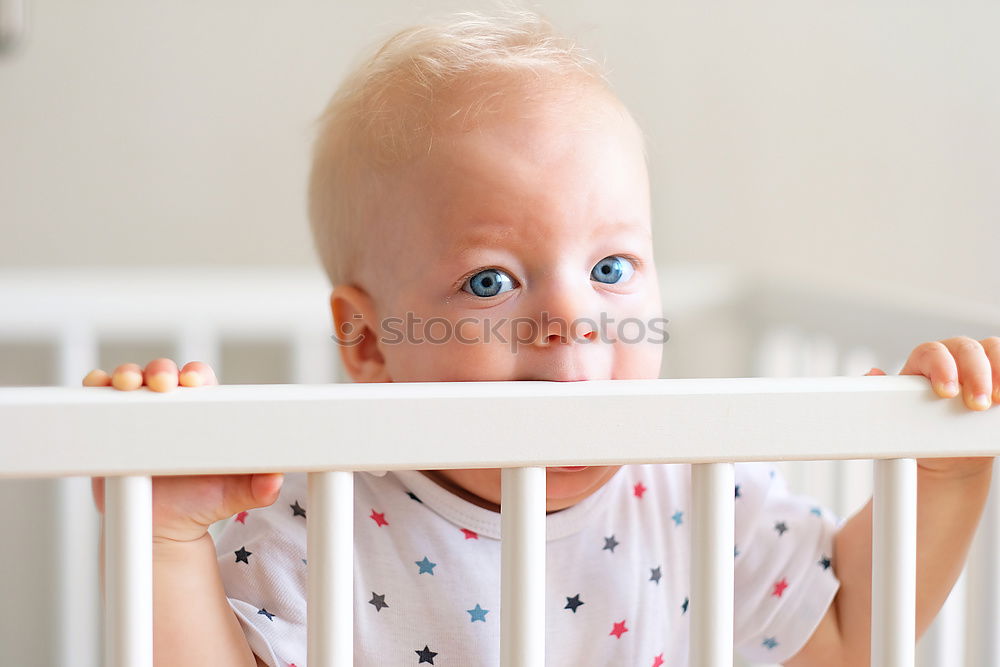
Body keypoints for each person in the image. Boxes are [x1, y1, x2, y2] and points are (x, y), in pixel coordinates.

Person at [85, 6, 998, 666]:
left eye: (610, 269)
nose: (572, 317)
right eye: (491, 281)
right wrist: (164, 537)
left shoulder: (692, 493)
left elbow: (842, 636)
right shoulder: (306, 523)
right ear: (365, 341)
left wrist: (943, 473)